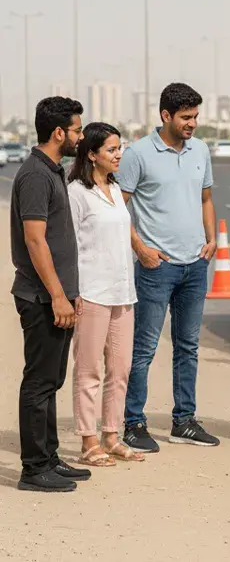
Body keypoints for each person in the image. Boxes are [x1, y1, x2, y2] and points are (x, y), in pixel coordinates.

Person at [115, 82, 220, 452]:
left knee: (188, 346)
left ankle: (184, 421)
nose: (192, 123)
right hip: (156, 269)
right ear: (165, 116)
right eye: (186, 117)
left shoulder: (200, 150)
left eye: (195, 116)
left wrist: (211, 240)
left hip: (195, 265)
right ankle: (132, 423)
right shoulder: (139, 154)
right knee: (143, 348)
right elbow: (116, 207)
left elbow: (206, 198)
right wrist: (141, 249)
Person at [11, 96, 90, 492]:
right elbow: (35, 241)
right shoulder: (36, 176)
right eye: (77, 129)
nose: (80, 135)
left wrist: (69, 292)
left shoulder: (52, 170)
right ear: (59, 132)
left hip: (57, 295)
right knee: (39, 382)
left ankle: (49, 458)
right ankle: (33, 468)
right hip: (40, 297)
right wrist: (58, 295)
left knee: (52, 380)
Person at [67, 122, 146, 467]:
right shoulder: (76, 192)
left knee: (121, 369)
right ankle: (88, 441)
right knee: (88, 370)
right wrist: (71, 292)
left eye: (120, 148)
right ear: (92, 154)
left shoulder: (115, 188)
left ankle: (111, 436)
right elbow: (67, 246)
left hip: (122, 291)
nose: (119, 155)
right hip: (91, 292)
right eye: (112, 149)